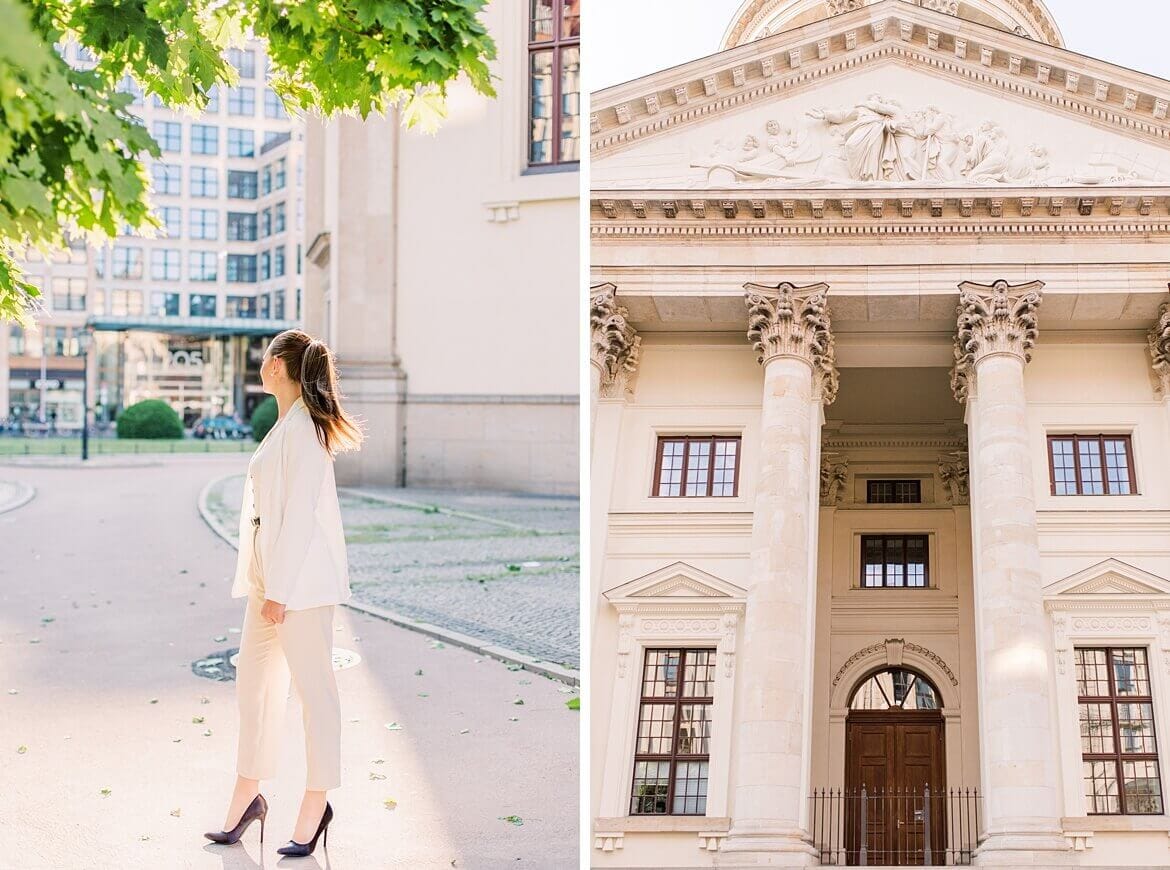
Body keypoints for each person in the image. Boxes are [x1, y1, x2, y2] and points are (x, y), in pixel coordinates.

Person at [204, 328, 364, 856]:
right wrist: (265, 587)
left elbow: (298, 521)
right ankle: (247, 798)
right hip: (267, 585)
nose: (260, 364)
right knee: (254, 690)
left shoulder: (308, 432)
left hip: (300, 589)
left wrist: (281, 591)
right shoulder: (284, 427)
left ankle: (315, 804)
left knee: (316, 696)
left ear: (278, 365)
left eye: (265, 356)